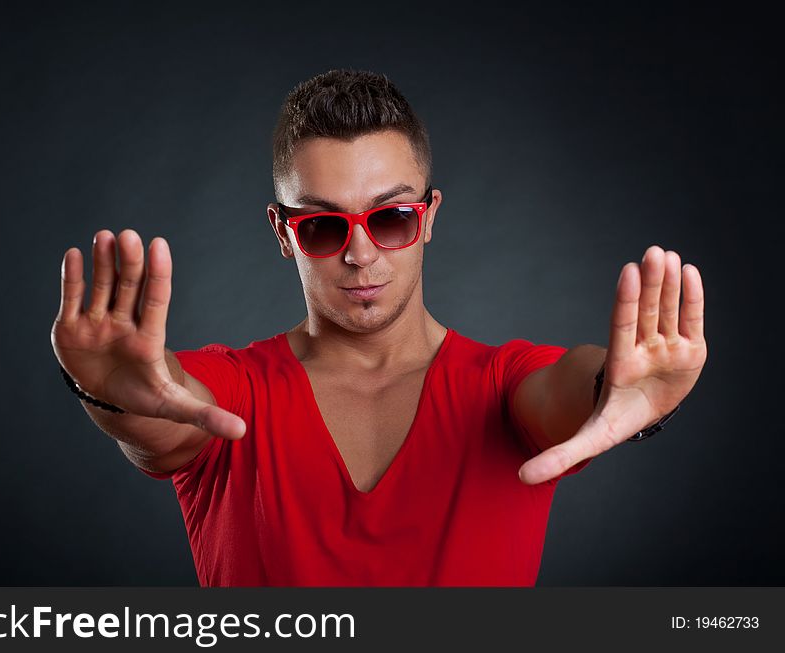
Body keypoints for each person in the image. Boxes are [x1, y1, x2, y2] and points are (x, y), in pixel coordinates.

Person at [50, 69, 707, 586]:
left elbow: (568, 389)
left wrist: (619, 392)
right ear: (284, 233)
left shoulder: (503, 384)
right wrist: (112, 393)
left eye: (389, 217)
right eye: (323, 225)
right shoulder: (237, 391)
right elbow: (167, 410)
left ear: (429, 216)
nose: (360, 253)